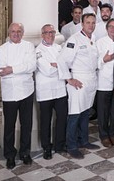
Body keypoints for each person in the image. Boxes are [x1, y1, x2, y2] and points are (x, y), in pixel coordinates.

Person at [0, 23, 36, 170]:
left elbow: (31, 66)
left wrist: (12, 69)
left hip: (27, 91)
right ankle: (10, 155)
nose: (16, 34)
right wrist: (21, 69)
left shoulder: (29, 46)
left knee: (27, 124)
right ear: (9, 33)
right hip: (10, 93)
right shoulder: (1, 49)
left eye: (19, 31)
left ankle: (25, 153)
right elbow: (1, 70)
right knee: (9, 126)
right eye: (13, 31)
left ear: (23, 33)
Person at [60, 13, 101, 159]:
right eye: (88, 22)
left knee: (85, 113)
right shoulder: (74, 39)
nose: (91, 25)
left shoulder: (93, 39)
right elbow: (63, 61)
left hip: (91, 79)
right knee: (75, 114)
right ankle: (71, 146)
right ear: (82, 24)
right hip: (78, 79)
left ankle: (84, 140)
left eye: (93, 23)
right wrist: (69, 79)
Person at [35, 24, 70, 160]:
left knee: (62, 118)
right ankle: (46, 148)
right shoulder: (38, 51)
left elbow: (67, 64)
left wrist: (57, 65)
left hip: (60, 89)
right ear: (42, 34)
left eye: (52, 32)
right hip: (45, 91)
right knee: (45, 121)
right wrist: (60, 65)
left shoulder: (59, 48)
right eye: (47, 32)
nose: (50, 35)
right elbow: (47, 71)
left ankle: (60, 145)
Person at [96, 19, 114, 148]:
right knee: (103, 112)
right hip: (103, 82)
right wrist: (104, 59)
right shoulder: (99, 43)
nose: (113, 29)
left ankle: (113, 134)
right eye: (111, 26)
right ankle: (104, 135)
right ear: (106, 28)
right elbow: (93, 62)